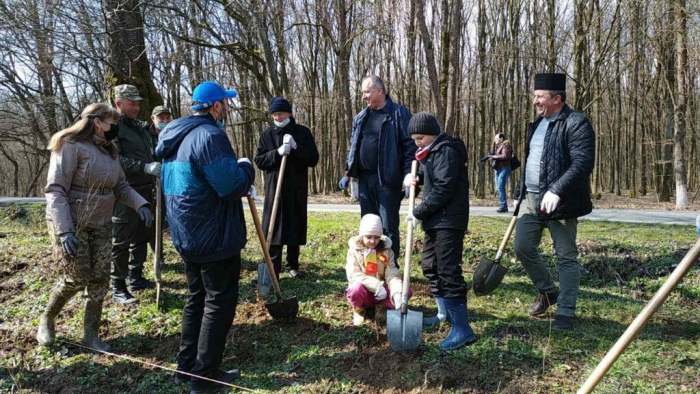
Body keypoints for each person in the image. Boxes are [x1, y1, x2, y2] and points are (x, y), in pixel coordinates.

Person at [156, 81, 254, 393]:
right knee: (219, 302)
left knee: (196, 298)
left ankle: (186, 368)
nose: (227, 108)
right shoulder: (210, 136)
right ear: (214, 106)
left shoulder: (175, 137)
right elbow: (228, 185)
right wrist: (246, 169)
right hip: (213, 235)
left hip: (187, 234)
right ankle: (205, 376)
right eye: (225, 103)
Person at [39, 103, 152, 351]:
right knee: (75, 278)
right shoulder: (69, 145)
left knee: (100, 279)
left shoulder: (109, 150)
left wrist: (140, 204)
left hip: (101, 222)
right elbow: (55, 189)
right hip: (72, 221)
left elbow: (120, 186)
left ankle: (90, 336)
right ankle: (47, 318)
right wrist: (64, 230)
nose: (116, 130)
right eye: (112, 124)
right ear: (97, 122)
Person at [512, 73, 595, 331]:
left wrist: (557, 190)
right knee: (522, 247)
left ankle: (566, 311)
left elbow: (583, 163)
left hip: (562, 201)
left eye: (540, 97)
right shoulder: (536, 124)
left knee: (566, 257)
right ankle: (547, 292)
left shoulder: (576, 123)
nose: (535, 101)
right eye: (534, 96)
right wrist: (520, 190)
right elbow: (532, 161)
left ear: (557, 98)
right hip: (531, 198)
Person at [405, 112, 476, 351]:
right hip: (436, 221)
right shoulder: (431, 153)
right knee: (430, 265)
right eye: (414, 139)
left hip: (449, 221)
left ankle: (462, 329)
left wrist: (418, 212)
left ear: (433, 133)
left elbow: (445, 187)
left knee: (448, 270)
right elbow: (433, 177)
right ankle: (443, 314)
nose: (418, 142)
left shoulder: (447, 151)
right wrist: (416, 178)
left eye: (421, 137)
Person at [339, 75, 415, 261]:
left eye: (367, 92)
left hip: (387, 181)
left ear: (379, 91)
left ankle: (390, 268)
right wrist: (348, 173)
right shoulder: (361, 117)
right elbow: (354, 146)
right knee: (369, 227)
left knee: (387, 227)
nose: (364, 96)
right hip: (364, 180)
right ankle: (372, 268)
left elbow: (409, 147)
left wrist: (408, 175)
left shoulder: (399, 114)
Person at [254, 97, 319, 279]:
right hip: (274, 187)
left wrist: (296, 147)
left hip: (296, 186)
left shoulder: (302, 132)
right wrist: (278, 152)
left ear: (289, 113)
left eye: (281, 113)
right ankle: (273, 264)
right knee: (273, 226)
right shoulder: (267, 135)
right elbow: (259, 160)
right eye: (275, 114)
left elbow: (313, 159)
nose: (278, 117)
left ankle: (293, 264)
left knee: (294, 224)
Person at [110, 84, 160, 304]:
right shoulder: (113, 127)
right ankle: (117, 286)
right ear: (119, 103)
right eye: (132, 102)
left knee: (142, 235)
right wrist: (143, 167)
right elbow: (115, 158)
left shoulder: (138, 127)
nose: (137, 106)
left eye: (138, 102)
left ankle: (136, 277)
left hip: (145, 189)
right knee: (121, 239)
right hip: (124, 192)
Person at [345, 214, 406, 326]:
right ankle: (359, 309)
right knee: (355, 289)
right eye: (368, 237)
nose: (373, 241)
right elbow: (354, 274)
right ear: (362, 236)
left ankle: (381, 306)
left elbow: (391, 273)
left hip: (382, 292)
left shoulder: (387, 251)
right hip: (366, 291)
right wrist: (377, 286)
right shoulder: (354, 251)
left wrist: (396, 292)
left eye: (377, 237)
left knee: (405, 292)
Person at [487, 134, 513, 213]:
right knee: (498, 188)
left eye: (496, 138)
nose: (495, 140)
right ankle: (503, 205)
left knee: (500, 187)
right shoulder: (498, 146)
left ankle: (503, 206)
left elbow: (505, 156)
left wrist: (494, 156)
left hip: (504, 168)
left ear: (501, 138)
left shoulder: (506, 145)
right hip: (498, 169)